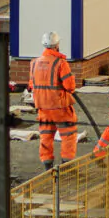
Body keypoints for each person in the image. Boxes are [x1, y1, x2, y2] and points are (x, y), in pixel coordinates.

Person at [29, 30, 80, 167]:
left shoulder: (34, 63)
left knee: (46, 136)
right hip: (60, 107)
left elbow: (31, 85)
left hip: (43, 108)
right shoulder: (60, 63)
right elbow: (70, 86)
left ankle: (47, 165)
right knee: (68, 135)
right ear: (57, 45)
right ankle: (66, 165)